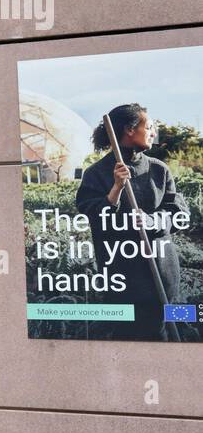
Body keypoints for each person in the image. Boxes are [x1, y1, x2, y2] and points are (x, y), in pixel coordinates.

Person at [75, 103, 189, 341]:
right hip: (124, 278)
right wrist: (115, 189)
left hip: (164, 274)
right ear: (129, 130)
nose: (153, 132)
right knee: (131, 338)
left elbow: (179, 213)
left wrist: (152, 220)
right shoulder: (96, 173)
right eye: (148, 127)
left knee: (172, 331)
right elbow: (90, 215)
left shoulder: (159, 170)